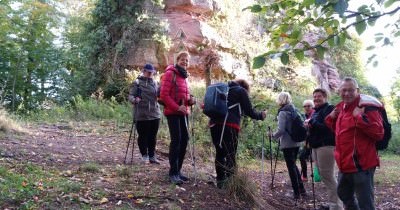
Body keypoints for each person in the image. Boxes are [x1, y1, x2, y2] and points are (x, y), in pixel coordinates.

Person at [325, 77, 384, 210]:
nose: (347, 93)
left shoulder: (366, 107)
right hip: (344, 164)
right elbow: (340, 132)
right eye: (344, 90)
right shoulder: (341, 107)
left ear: (357, 91)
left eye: (351, 90)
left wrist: (360, 118)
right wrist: (330, 118)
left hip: (362, 165)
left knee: (366, 203)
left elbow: (379, 133)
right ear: (339, 91)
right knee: (343, 193)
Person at [208, 79, 266, 189]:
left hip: (214, 124)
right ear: (245, 87)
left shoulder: (223, 88)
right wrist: (261, 115)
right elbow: (249, 111)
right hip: (229, 126)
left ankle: (220, 182)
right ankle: (231, 183)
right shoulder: (240, 91)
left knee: (220, 153)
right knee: (231, 154)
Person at [160, 51, 195, 185]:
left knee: (185, 140)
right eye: (182, 60)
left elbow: (184, 96)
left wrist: (190, 101)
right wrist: (176, 107)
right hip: (173, 112)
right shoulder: (171, 73)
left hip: (183, 112)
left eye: (187, 61)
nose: (185, 62)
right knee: (177, 140)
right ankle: (173, 172)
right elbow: (164, 95)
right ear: (177, 60)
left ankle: (178, 171)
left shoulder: (185, 77)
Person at [305, 88, 343, 210]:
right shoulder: (315, 111)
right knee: (324, 175)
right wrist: (309, 125)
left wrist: (311, 123)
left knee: (328, 175)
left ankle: (336, 206)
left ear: (325, 97)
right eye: (314, 96)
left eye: (319, 96)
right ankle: (333, 203)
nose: (316, 98)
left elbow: (328, 127)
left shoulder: (329, 108)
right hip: (316, 146)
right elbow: (316, 126)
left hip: (326, 146)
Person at [272, 92, 306, 199]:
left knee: (291, 167)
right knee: (293, 165)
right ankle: (301, 188)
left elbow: (281, 130)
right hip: (297, 142)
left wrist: (272, 135)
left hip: (287, 143)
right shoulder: (294, 110)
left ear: (280, 100)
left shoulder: (283, 112)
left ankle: (296, 193)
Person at [128, 64, 161, 164]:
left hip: (155, 114)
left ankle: (152, 156)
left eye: (152, 72)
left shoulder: (155, 83)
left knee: (153, 136)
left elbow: (159, 95)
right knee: (143, 136)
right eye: (148, 72)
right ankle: (144, 155)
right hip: (141, 114)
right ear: (144, 71)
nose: (150, 74)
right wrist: (134, 100)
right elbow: (130, 96)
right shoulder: (137, 82)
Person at [299, 99, 314, 182]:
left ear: (312, 106)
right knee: (302, 157)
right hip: (307, 141)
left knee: (318, 160)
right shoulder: (303, 116)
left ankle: (319, 174)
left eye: (309, 106)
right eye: (305, 106)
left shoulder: (315, 114)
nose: (307, 108)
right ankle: (304, 176)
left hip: (316, 141)